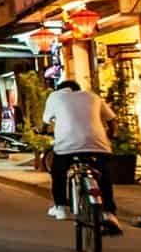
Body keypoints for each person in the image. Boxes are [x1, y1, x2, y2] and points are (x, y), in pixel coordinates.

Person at [40, 79, 123, 235]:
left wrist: (44, 130)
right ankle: (109, 213)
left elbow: (45, 122)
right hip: (98, 144)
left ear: (60, 89)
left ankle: (61, 207)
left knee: (58, 172)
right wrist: (111, 135)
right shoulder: (92, 96)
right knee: (104, 176)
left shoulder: (55, 96)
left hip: (67, 146)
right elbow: (112, 120)